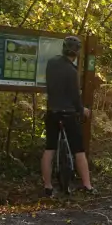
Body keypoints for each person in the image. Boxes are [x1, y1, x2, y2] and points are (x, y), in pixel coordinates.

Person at [42, 35, 96, 198]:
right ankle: (87, 185)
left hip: (52, 111)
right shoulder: (72, 71)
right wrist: (82, 110)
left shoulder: (51, 63)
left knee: (50, 149)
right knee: (78, 150)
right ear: (77, 53)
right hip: (68, 113)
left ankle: (48, 186)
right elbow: (75, 96)